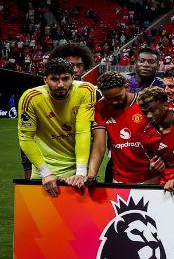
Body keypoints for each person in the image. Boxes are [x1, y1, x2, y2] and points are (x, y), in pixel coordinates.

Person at [18, 58, 96, 196]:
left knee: (80, 217)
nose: (61, 84)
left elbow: (83, 132)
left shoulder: (86, 91)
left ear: (73, 77)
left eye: (65, 79)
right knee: (40, 216)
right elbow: (26, 138)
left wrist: (81, 172)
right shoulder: (31, 98)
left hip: (76, 171)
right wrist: (46, 173)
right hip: (44, 171)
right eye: (54, 79)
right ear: (45, 80)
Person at [88, 72, 156, 184]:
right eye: (108, 98)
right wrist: (92, 174)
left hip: (151, 176)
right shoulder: (101, 107)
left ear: (127, 87)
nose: (113, 102)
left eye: (118, 97)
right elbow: (99, 144)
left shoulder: (145, 103)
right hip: (120, 178)